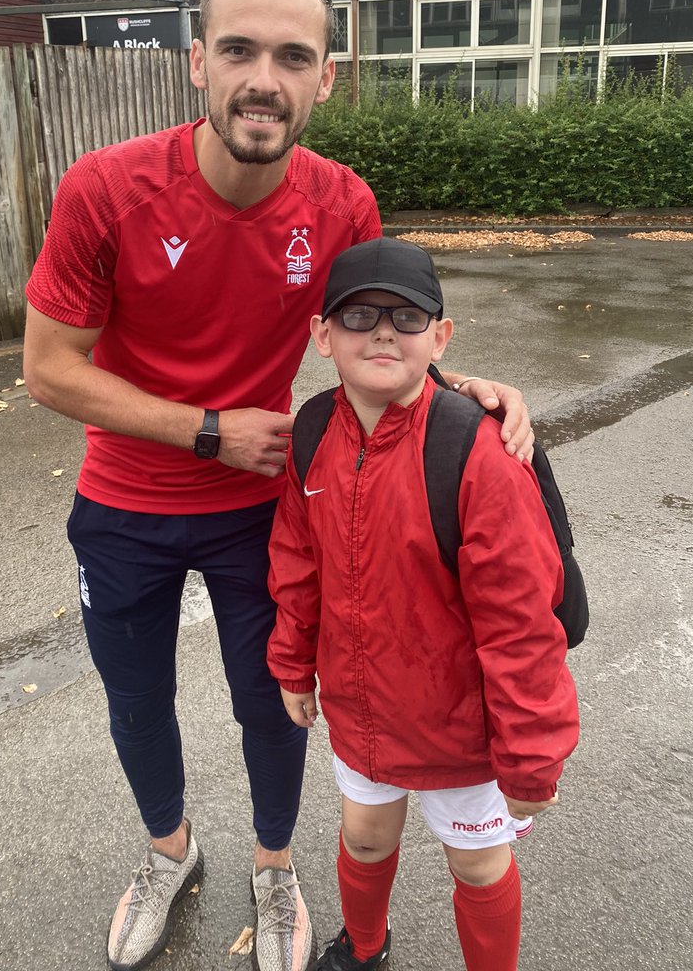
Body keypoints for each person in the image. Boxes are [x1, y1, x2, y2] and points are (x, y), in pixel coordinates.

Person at [22, 0, 535, 971]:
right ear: (197, 64)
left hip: (265, 512)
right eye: (240, 49)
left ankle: (274, 864)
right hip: (124, 503)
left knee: (279, 697)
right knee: (137, 698)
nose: (265, 77)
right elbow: (48, 371)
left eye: (293, 55)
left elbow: (372, 342)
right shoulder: (107, 189)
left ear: (325, 78)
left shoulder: (342, 202)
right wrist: (208, 428)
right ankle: (169, 853)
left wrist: (459, 392)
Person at [267, 237, 579, 971]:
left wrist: (531, 758)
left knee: (477, 866)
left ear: (440, 337)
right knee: (366, 837)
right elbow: (297, 561)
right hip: (361, 707)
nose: (383, 330)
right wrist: (291, 664)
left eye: (408, 317)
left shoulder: (475, 451)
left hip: (462, 730)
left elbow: (523, 627)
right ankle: (365, 947)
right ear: (321, 336)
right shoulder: (312, 433)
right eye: (359, 314)